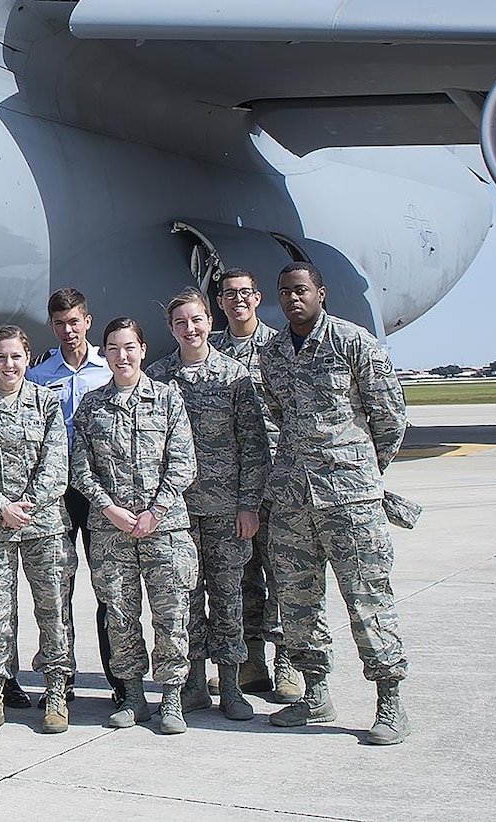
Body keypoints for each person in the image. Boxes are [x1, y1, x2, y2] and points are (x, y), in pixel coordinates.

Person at [259, 263, 412, 745]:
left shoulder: (353, 342)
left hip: (350, 499)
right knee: (299, 603)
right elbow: (280, 416)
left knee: (367, 599)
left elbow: (390, 416)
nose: (292, 299)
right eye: (284, 292)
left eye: (301, 290)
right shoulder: (274, 353)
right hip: (293, 498)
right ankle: (316, 690)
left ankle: (390, 701)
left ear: (320, 293)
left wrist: (362, 469)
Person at [69, 317, 198, 734]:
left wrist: (154, 512)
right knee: (120, 615)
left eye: (128, 347)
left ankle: (172, 697)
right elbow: (81, 468)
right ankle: (132, 695)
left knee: (171, 614)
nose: (121, 356)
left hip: (164, 528)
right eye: (112, 348)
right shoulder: (92, 405)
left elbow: (183, 463)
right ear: (103, 354)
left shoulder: (167, 398)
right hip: (111, 531)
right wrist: (110, 510)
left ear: (142, 349)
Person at [146, 288, 268, 722]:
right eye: (181, 322)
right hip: (176, 511)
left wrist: (248, 504)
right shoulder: (158, 378)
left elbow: (253, 445)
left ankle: (232, 686)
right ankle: (193, 684)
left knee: (227, 596)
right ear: (171, 329)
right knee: (184, 599)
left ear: (209, 322)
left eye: (197, 320)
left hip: (225, 508)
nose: (191, 328)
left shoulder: (234, 376)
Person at [0, 325, 71, 735]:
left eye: (16, 356)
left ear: (28, 358)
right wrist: (2, 505)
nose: (9, 364)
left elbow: (57, 461)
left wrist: (28, 506)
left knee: (54, 609)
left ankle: (56, 690)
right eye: (1, 357)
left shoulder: (46, 403)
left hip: (44, 526)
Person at [210, 268, 299, 701]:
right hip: (234, 485)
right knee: (241, 575)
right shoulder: (213, 352)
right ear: (220, 301)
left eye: (244, 293)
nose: (237, 300)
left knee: (282, 573)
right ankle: (249, 662)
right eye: (229, 294)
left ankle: (287, 663)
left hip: (278, 480)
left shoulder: (279, 348)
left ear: (258, 297)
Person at [25, 287, 114, 708]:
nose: (67, 330)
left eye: (74, 322)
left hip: (100, 492)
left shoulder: (108, 369)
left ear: (87, 321)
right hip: (57, 494)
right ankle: (61, 678)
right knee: (56, 587)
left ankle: (120, 678)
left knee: (111, 588)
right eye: (59, 323)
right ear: (52, 325)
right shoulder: (40, 377)